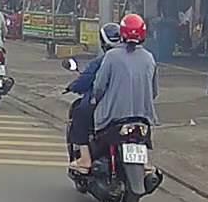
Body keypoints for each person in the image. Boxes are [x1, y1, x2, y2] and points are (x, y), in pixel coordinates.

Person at [86, 13, 159, 173]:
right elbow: (154, 92)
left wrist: (95, 99)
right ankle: (145, 164)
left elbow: (99, 87)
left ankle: (87, 160)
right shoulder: (149, 58)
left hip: (113, 119)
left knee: (92, 128)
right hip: (143, 119)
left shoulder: (111, 56)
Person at [67, 22, 122, 172]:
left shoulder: (104, 61)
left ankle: (85, 159)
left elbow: (96, 86)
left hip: (106, 107)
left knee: (79, 114)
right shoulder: (143, 58)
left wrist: (74, 87)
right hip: (133, 109)